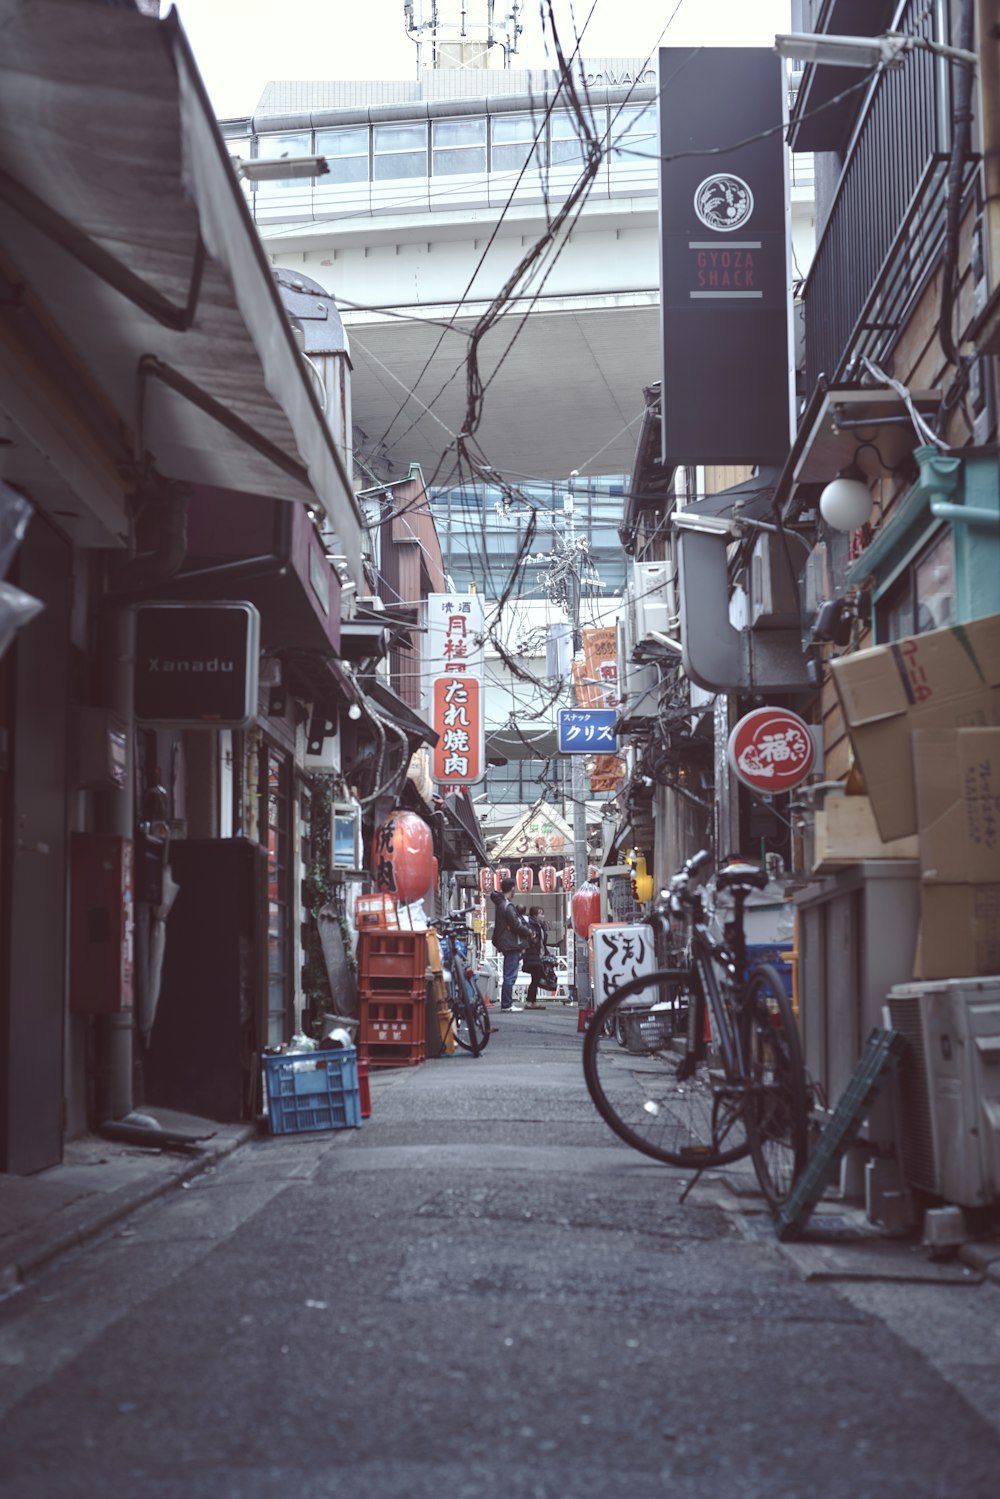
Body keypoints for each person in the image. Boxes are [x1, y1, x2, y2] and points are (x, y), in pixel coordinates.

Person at [490, 877, 533, 1012]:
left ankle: (506, 1004)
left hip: (506, 943)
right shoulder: (507, 906)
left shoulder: (501, 904)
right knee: (510, 975)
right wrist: (528, 931)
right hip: (511, 943)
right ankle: (507, 1004)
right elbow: (515, 925)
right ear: (512, 888)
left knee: (508, 974)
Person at [521, 905, 549, 1010]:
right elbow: (531, 939)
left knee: (535, 979)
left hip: (538, 954)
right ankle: (530, 1001)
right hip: (533, 954)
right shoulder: (531, 925)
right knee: (535, 979)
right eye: (540, 913)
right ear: (535, 915)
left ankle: (532, 1001)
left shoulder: (540, 925)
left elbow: (542, 942)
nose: (543, 916)